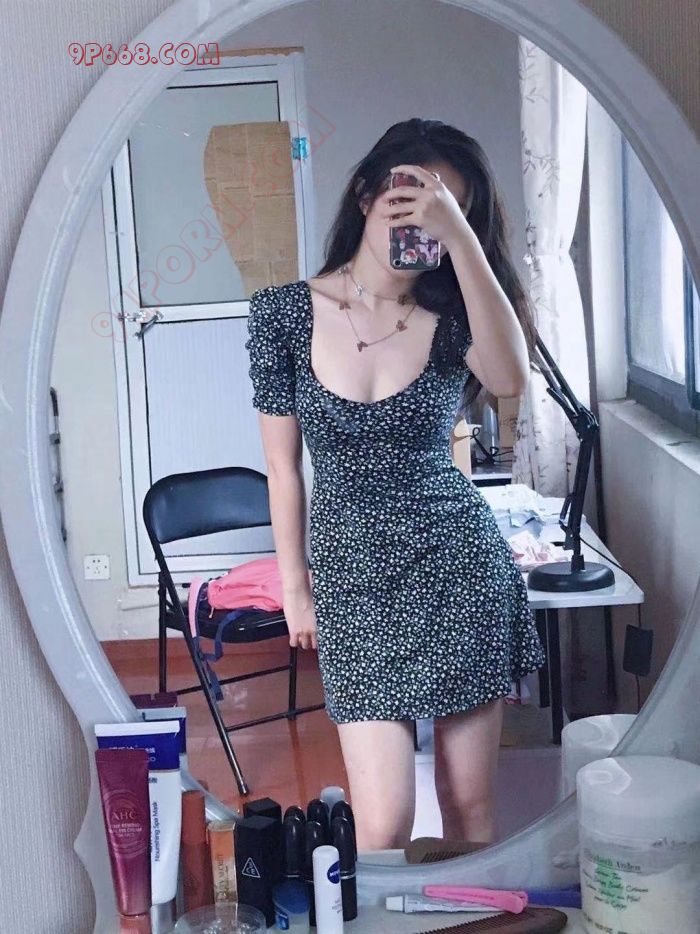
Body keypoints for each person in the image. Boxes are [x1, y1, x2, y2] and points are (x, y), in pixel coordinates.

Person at [245, 117, 546, 851]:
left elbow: (509, 379)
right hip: (352, 581)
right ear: (364, 195)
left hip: (457, 569)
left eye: (443, 212)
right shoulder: (282, 314)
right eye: (406, 202)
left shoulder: (455, 318)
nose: (418, 227)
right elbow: (283, 467)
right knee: (383, 825)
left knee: (470, 808)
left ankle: (473, 911)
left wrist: (461, 239)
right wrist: (295, 588)